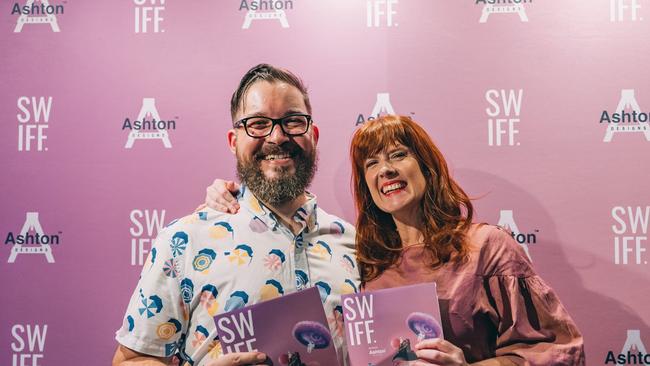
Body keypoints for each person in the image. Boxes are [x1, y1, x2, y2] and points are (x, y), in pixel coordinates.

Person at [207, 115, 585, 365]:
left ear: (426, 166)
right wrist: (227, 197)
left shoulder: (487, 248)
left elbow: (558, 351)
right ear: (366, 185)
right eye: (371, 163)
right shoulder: (362, 259)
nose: (385, 169)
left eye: (398, 155)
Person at [112, 64, 359, 366]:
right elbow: (129, 361)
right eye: (257, 124)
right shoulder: (184, 240)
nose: (277, 136)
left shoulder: (353, 244)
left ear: (314, 135)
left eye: (293, 121)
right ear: (233, 141)